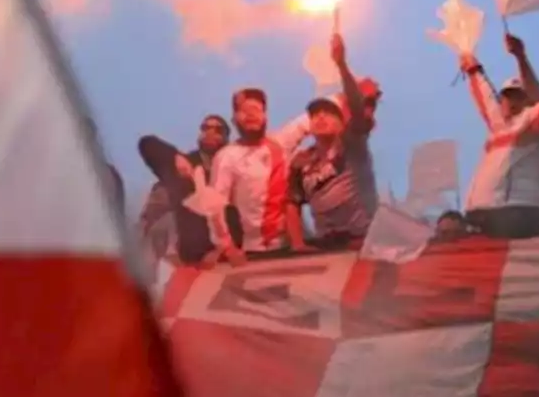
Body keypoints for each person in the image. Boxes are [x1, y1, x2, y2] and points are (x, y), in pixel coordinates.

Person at [458, 42, 539, 240]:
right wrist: (472, 68)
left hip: (516, 212)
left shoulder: (530, 120)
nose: (512, 102)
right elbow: (485, 98)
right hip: (483, 212)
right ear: (501, 100)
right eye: (507, 96)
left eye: (519, 97)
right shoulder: (497, 127)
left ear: (528, 101)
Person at [285, 34, 379, 250]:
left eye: (328, 113)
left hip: (363, 240)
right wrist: (298, 244)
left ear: (341, 121)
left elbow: (357, 107)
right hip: (325, 246)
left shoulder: (352, 144)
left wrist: (341, 65)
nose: (320, 118)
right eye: (315, 114)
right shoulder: (301, 160)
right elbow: (292, 202)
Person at [207, 88, 314, 262]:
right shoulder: (226, 157)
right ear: (234, 119)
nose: (251, 115)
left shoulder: (280, 143)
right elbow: (214, 207)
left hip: (296, 245)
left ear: (265, 116)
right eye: (244, 110)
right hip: (257, 252)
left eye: (257, 109)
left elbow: (313, 118)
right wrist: (226, 247)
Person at [136, 114, 240, 264]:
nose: (210, 132)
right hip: (186, 254)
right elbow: (147, 144)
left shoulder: (234, 168)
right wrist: (174, 156)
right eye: (205, 128)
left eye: (217, 129)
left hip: (228, 253)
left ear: (226, 137)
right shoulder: (186, 165)